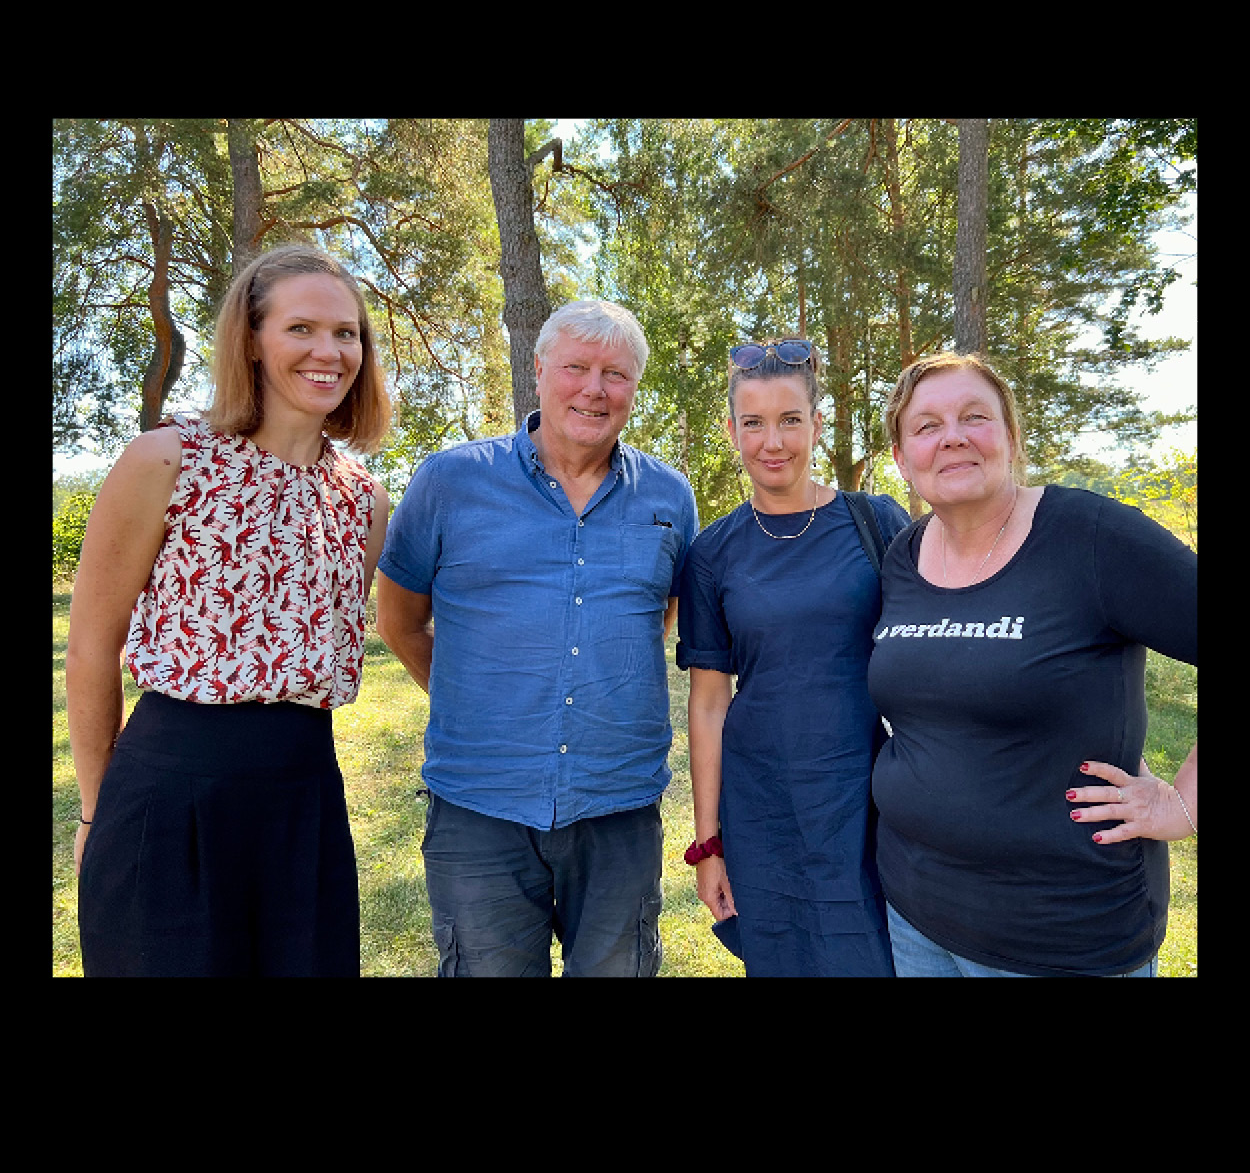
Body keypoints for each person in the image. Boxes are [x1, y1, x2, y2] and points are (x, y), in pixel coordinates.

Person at [69, 243, 392, 976]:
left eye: (347, 333)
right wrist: (95, 809)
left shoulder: (365, 502)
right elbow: (91, 648)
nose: (330, 351)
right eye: (301, 328)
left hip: (305, 798)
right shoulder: (165, 461)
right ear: (251, 339)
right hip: (169, 794)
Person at [375, 299, 698, 977]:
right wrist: (476, 699)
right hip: (478, 809)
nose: (593, 388)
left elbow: (657, 618)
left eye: (615, 374)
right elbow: (399, 621)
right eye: (576, 367)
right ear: (540, 368)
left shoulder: (670, 498)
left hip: (617, 809)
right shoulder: (449, 481)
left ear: (635, 388)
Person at [867, 351, 1197, 977]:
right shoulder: (902, 556)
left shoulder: (1092, 537)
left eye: (974, 417)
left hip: (1062, 938)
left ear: (1013, 438)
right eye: (926, 426)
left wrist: (1183, 804)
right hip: (915, 915)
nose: (953, 436)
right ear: (903, 460)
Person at [676, 338, 910, 976]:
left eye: (789, 420)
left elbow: (934, 652)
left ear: (817, 423)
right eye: (753, 422)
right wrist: (709, 843)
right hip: (763, 809)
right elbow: (708, 701)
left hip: (869, 800)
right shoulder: (711, 553)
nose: (771, 441)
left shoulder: (876, 523)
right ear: (731, 429)